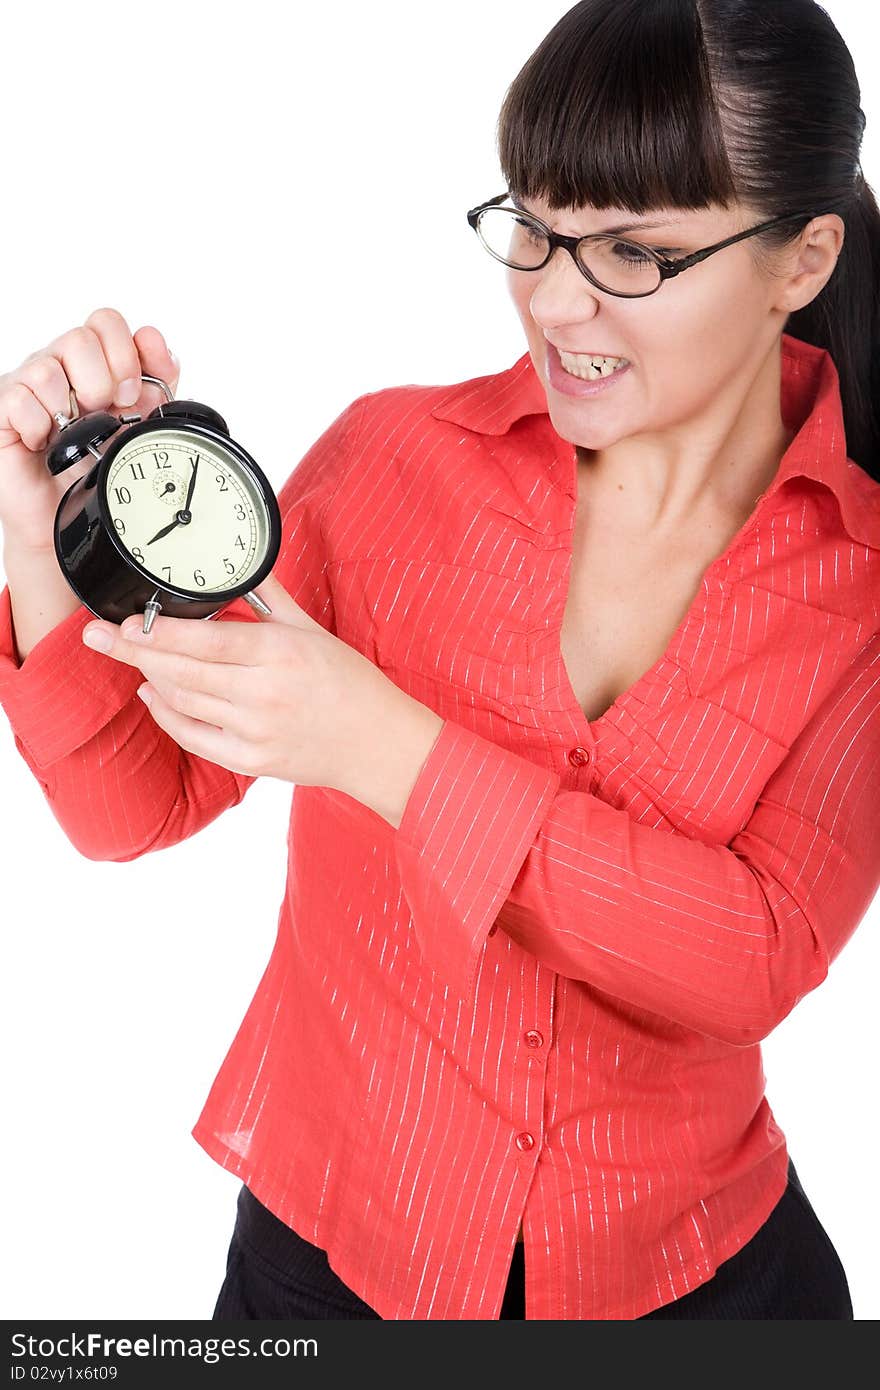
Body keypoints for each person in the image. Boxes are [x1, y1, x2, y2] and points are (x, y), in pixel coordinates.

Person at [0, 0, 877, 1320]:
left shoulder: (861, 587)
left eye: (636, 251)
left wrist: (386, 747)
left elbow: (752, 952)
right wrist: (39, 536)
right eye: (534, 226)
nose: (556, 297)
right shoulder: (393, 467)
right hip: (329, 1270)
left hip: (705, 1288)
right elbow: (137, 804)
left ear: (801, 262)